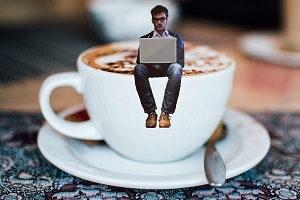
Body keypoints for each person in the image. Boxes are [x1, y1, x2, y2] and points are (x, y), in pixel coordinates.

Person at [134, 5, 184, 128]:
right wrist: (151, 56)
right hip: (151, 68)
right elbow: (139, 61)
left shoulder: (176, 38)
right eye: (156, 19)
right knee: (138, 69)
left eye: (162, 19)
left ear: (167, 19)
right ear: (152, 20)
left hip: (168, 68)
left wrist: (166, 57)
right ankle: (151, 113)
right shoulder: (145, 38)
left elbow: (181, 61)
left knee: (176, 68)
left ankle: (165, 113)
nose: (159, 22)